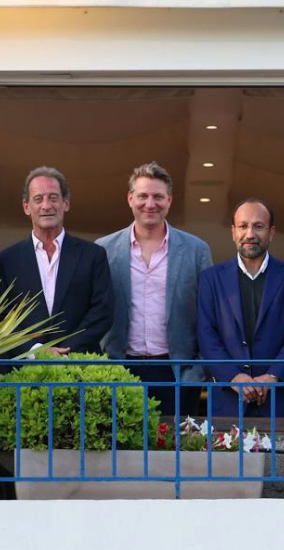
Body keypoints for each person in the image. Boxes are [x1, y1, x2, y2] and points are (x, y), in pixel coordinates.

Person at [97, 162, 213, 416]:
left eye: (158, 196)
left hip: (178, 374)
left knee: (177, 442)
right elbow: (94, 313)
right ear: (130, 199)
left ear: (169, 200)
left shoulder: (196, 250)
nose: (150, 204)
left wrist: (198, 370)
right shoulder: (103, 250)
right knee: (121, 442)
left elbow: (210, 315)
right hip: (119, 371)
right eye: (143, 196)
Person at [198, 199, 284, 419]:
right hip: (227, 402)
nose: (250, 234)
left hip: (282, 402)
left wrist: (273, 376)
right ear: (233, 232)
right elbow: (206, 334)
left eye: (258, 226)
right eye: (243, 226)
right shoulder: (210, 279)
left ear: (271, 232)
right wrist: (233, 377)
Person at [0, 167, 114, 356]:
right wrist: (37, 351)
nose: (46, 205)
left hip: (81, 365)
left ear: (66, 203)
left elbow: (103, 311)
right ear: (26, 207)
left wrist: (66, 351)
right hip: (25, 367)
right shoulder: (7, 260)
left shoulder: (93, 255)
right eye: (38, 199)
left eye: (53, 198)